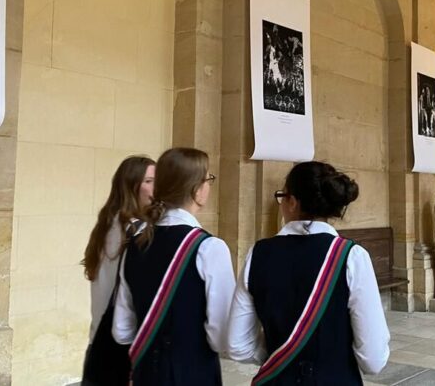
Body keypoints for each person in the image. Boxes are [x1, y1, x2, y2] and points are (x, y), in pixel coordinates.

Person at [227, 161, 389, 384]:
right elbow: (373, 359)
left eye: (282, 196)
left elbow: (237, 345)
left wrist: (278, 355)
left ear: (292, 202)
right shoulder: (352, 257)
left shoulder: (259, 253)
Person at [113, 148, 235, 385]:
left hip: (145, 371)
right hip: (193, 372)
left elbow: (122, 329)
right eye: (208, 179)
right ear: (197, 190)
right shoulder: (210, 247)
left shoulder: (135, 244)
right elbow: (222, 336)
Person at [81, 156, 155, 385]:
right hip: (121, 349)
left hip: (98, 344)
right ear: (132, 187)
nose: (157, 188)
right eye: (150, 181)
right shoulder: (136, 230)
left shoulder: (107, 224)